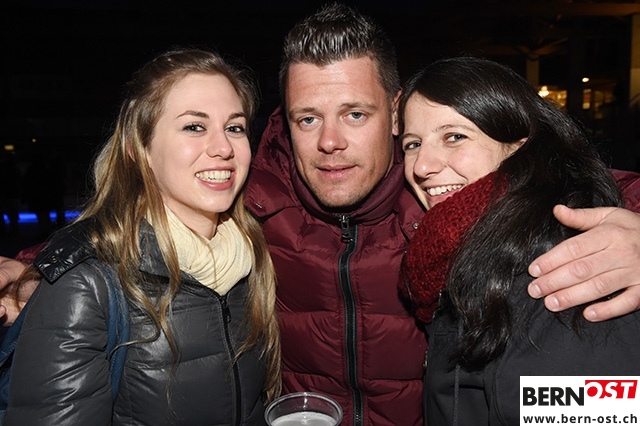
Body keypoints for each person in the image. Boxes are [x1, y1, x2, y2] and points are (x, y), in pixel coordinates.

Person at [2, 3, 640, 426]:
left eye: (355, 115)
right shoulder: (250, 194)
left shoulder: (443, 195)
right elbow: (140, 222)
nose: (330, 141)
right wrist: (32, 269)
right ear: (286, 120)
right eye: (309, 118)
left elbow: (570, 183)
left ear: (395, 112)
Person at [3, 47, 281, 426]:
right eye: (194, 127)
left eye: (235, 128)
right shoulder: (88, 284)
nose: (223, 148)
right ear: (140, 149)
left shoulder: (253, 256)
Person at [400, 56, 640, 425]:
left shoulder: (563, 269)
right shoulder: (464, 248)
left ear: (518, 146)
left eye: (454, 137)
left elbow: (592, 410)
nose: (422, 166)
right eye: (412, 144)